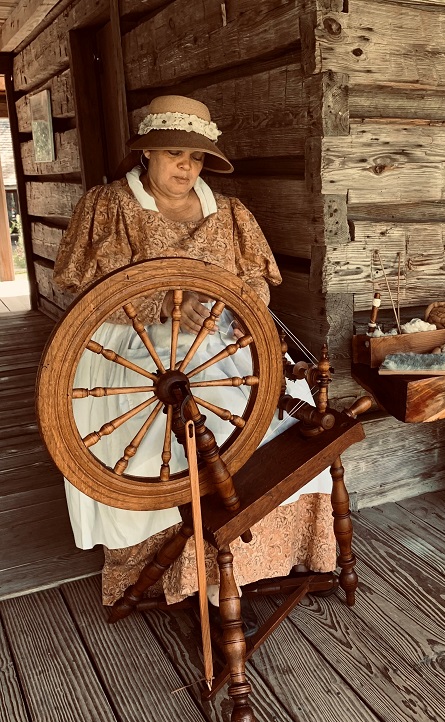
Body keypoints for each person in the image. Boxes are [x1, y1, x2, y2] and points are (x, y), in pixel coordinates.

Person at [53, 95, 336, 610]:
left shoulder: (229, 213)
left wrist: (224, 307)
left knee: (284, 401)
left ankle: (254, 554)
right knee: (173, 414)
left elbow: (256, 288)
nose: (186, 166)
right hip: (132, 341)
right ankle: (187, 564)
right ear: (147, 155)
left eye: (197, 157)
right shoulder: (110, 206)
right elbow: (90, 288)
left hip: (220, 334)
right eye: (173, 154)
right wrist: (161, 305)